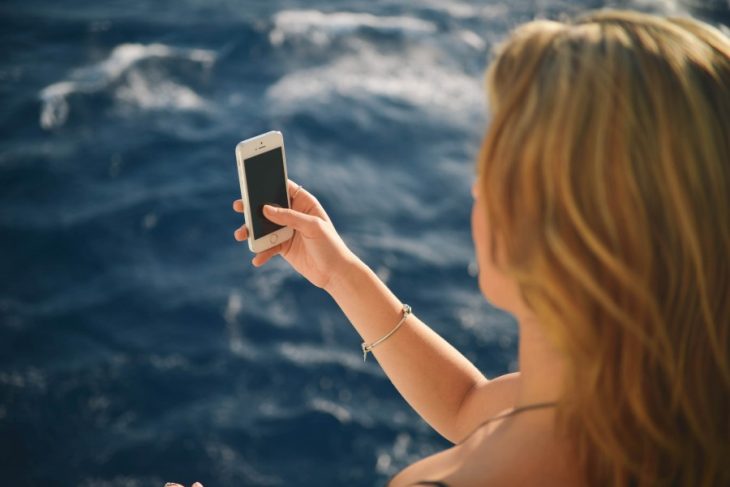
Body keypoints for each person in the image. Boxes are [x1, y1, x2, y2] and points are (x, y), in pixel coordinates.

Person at [169, 8, 730, 487]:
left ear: (575, 230)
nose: (478, 186)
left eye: (500, 165)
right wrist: (340, 272)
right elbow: (467, 405)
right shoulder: (665, 407)